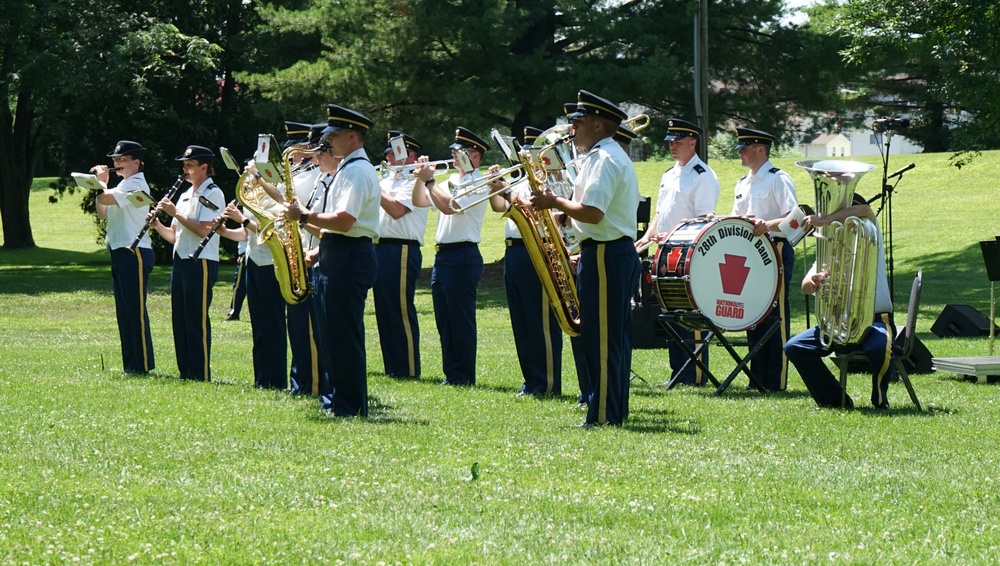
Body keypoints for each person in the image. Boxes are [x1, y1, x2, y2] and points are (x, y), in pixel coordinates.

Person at [532, 90, 641, 426]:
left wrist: (555, 204)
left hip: (608, 254)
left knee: (603, 341)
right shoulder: (598, 157)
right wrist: (565, 215)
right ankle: (608, 410)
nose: (571, 129)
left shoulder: (606, 159)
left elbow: (594, 213)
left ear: (597, 124)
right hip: (604, 253)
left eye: (577, 122)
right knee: (603, 338)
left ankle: (605, 416)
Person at [284, 104, 380, 417]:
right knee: (329, 333)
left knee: (343, 334)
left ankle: (349, 405)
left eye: (334, 135)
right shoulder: (345, 168)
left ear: (353, 136)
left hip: (349, 254)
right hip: (336, 251)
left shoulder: (356, 170)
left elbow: (345, 220)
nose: (329, 141)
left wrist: (305, 215)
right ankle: (336, 400)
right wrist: (302, 222)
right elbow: (333, 224)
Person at [784, 198, 894, 409]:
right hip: (837, 323)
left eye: (843, 215)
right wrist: (814, 282)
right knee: (794, 347)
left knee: (880, 347)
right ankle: (834, 399)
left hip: (875, 321)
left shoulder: (872, 238)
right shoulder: (831, 249)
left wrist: (824, 220)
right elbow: (805, 286)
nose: (841, 223)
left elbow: (865, 209)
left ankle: (879, 399)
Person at [634, 119, 720, 386]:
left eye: (678, 141)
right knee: (670, 314)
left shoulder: (702, 175)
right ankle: (678, 372)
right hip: (665, 252)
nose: (672, 146)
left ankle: (693, 375)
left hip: (689, 254)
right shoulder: (669, 174)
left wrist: (669, 236)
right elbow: (661, 213)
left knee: (689, 314)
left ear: (692, 143)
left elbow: (703, 221)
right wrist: (645, 240)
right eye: (670, 141)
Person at [488, 125, 564, 396]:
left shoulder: (548, 177)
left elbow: (535, 206)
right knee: (521, 319)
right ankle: (531, 380)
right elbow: (500, 207)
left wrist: (507, 190)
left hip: (538, 249)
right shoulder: (518, 177)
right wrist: (495, 186)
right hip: (515, 250)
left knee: (540, 318)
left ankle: (548, 383)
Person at [151, 145, 226, 381]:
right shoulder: (184, 194)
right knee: (180, 318)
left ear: (204, 167)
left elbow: (206, 230)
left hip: (201, 261)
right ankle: (186, 371)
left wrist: (176, 214)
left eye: (190, 165)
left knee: (196, 318)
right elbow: (174, 235)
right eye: (184, 165)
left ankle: (200, 373)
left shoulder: (213, 193)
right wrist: (156, 225)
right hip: (181, 260)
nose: (185, 169)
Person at [423, 127, 492, 386]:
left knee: (460, 319)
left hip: (463, 254)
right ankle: (451, 373)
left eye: (458, 151)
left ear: (474, 154)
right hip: (443, 256)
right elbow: (420, 201)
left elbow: (450, 207)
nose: (452, 156)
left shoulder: (477, 182)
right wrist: (422, 180)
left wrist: (430, 181)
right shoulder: (453, 181)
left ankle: (463, 375)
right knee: (445, 319)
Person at [732, 127, 798, 391]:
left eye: (744, 148)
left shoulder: (778, 179)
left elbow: (796, 219)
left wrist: (767, 224)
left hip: (776, 251)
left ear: (760, 149)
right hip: (750, 254)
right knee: (754, 314)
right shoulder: (741, 182)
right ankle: (757, 378)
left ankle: (776, 379)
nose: (740, 153)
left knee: (775, 315)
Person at [92, 140, 155, 374]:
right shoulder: (120, 187)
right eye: (115, 160)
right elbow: (103, 212)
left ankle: (143, 364)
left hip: (135, 251)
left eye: (122, 160)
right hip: (119, 251)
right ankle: (131, 364)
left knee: (135, 311)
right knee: (124, 311)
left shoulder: (136, 184)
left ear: (136, 163)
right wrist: (101, 188)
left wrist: (101, 184)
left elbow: (105, 198)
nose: (117, 164)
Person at [373, 130, 431, 379]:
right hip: (380, 247)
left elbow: (397, 210)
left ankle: (407, 368)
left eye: (393, 151)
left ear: (410, 156)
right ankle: (392, 367)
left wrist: (372, 186)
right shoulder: (388, 181)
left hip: (402, 247)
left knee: (400, 309)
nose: (387, 155)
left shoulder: (412, 182)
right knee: (384, 310)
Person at [225, 239, 248, 321]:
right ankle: (233, 312)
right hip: (245, 253)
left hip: (247, 254)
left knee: (238, 286)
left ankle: (234, 313)